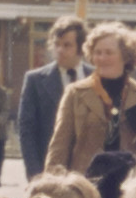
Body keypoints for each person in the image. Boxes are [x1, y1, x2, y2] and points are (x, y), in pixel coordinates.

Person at [45, 21, 136, 178]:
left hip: (128, 184)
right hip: (85, 185)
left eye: (109, 52)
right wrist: (52, 183)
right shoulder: (75, 93)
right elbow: (59, 147)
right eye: (97, 52)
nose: (102, 58)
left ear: (126, 56)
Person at [18, 16, 90, 180]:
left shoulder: (96, 77)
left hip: (88, 174)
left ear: (81, 47)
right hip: (50, 172)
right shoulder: (35, 80)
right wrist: (36, 175)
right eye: (56, 44)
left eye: (67, 45)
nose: (60, 50)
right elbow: (26, 130)